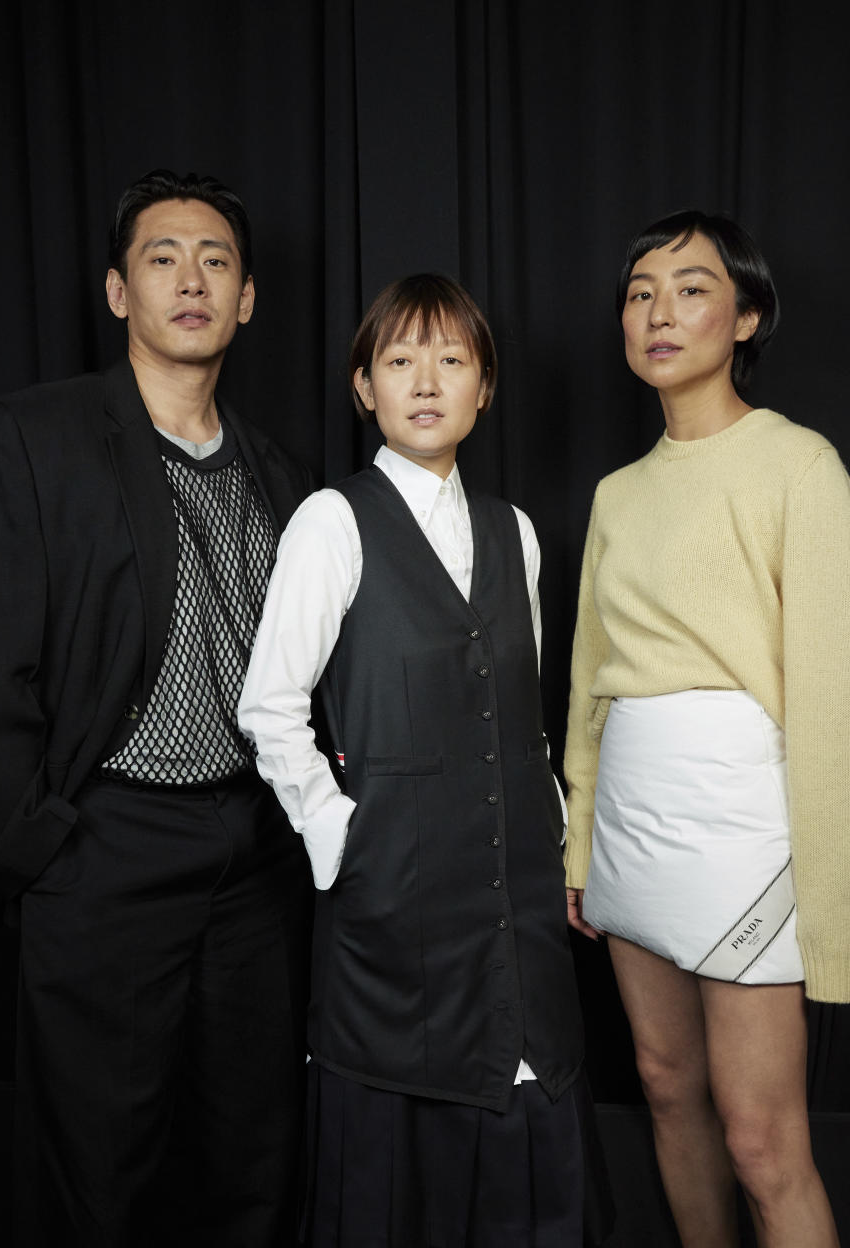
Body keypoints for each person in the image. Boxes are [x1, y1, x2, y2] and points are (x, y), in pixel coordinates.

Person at [0, 169, 314, 1246]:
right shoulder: (32, 439)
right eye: (163, 257)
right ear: (118, 292)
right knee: (99, 1172)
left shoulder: (282, 478)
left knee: (254, 1157)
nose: (191, 279)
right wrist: (45, 845)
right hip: (103, 850)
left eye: (216, 261)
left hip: (250, 864)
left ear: (247, 298)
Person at [240, 273, 612, 1247]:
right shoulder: (333, 520)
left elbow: (525, 723)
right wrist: (341, 838)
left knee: (529, 1126)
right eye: (400, 360)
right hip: (391, 910)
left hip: (520, 901)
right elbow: (270, 707)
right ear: (364, 386)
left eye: (452, 360)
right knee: (406, 1161)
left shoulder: (515, 532)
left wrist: (563, 842)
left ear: (484, 387)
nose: (426, 382)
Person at [563, 210, 850, 1247]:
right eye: (640, 292)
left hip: (745, 826)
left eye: (691, 289)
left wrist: (833, 921)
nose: (659, 312)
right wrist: (579, 844)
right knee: (663, 1087)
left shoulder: (801, 468)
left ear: (745, 317)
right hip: (632, 823)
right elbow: (589, 685)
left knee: (761, 1140)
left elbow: (839, 706)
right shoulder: (616, 496)